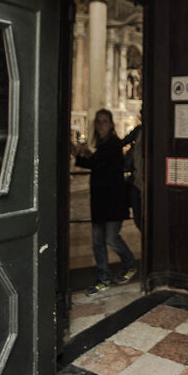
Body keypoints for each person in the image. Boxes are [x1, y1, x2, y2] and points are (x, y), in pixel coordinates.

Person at [73, 108, 137, 295]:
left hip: (112, 202)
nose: (101, 125)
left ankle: (129, 265)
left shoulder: (113, 145)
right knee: (97, 241)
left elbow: (98, 165)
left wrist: (79, 155)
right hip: (101, 202)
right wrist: (79, 155)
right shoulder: (104, 145)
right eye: (98, 122)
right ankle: (103, 277)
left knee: (110, 238)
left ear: (111, 125)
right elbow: (95, 164)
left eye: (104, 122)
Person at [121, 111, 143, 232]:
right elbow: (122, 142)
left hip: (141, 180)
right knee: (138, 218)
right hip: (136, 179)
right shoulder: (138, 130)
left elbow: (122, 142)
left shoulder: (139, 130)